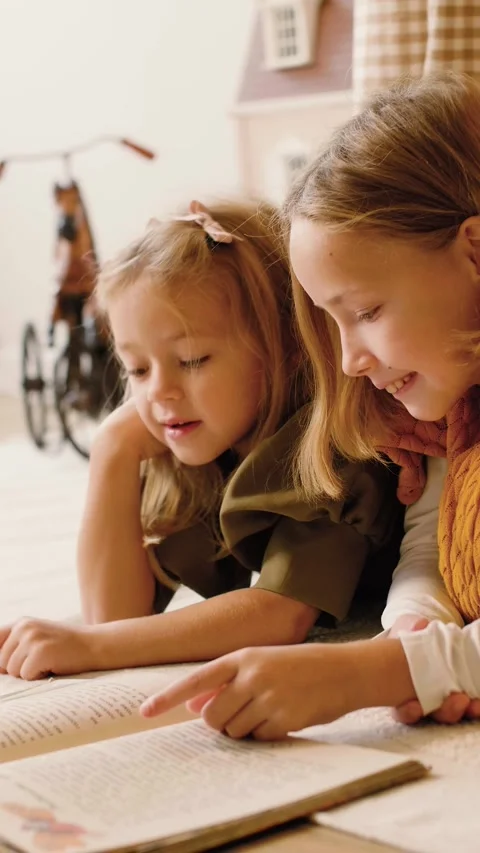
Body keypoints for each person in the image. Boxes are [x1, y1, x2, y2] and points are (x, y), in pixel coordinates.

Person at [138, 73, 480, 738]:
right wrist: (414, 626)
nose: (349, 359)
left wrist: (374, 673)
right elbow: (430, 551)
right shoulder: (449, 418)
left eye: (367, 312)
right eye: (332, 323)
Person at [0, 199, 407, 680]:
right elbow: (114, 617)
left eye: (191, 359)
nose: (159, 392)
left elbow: (278, 615)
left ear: (288, 347)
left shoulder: (331, 448)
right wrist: (112, 449)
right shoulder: (208, 446)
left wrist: (92, 647)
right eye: (137, 369)